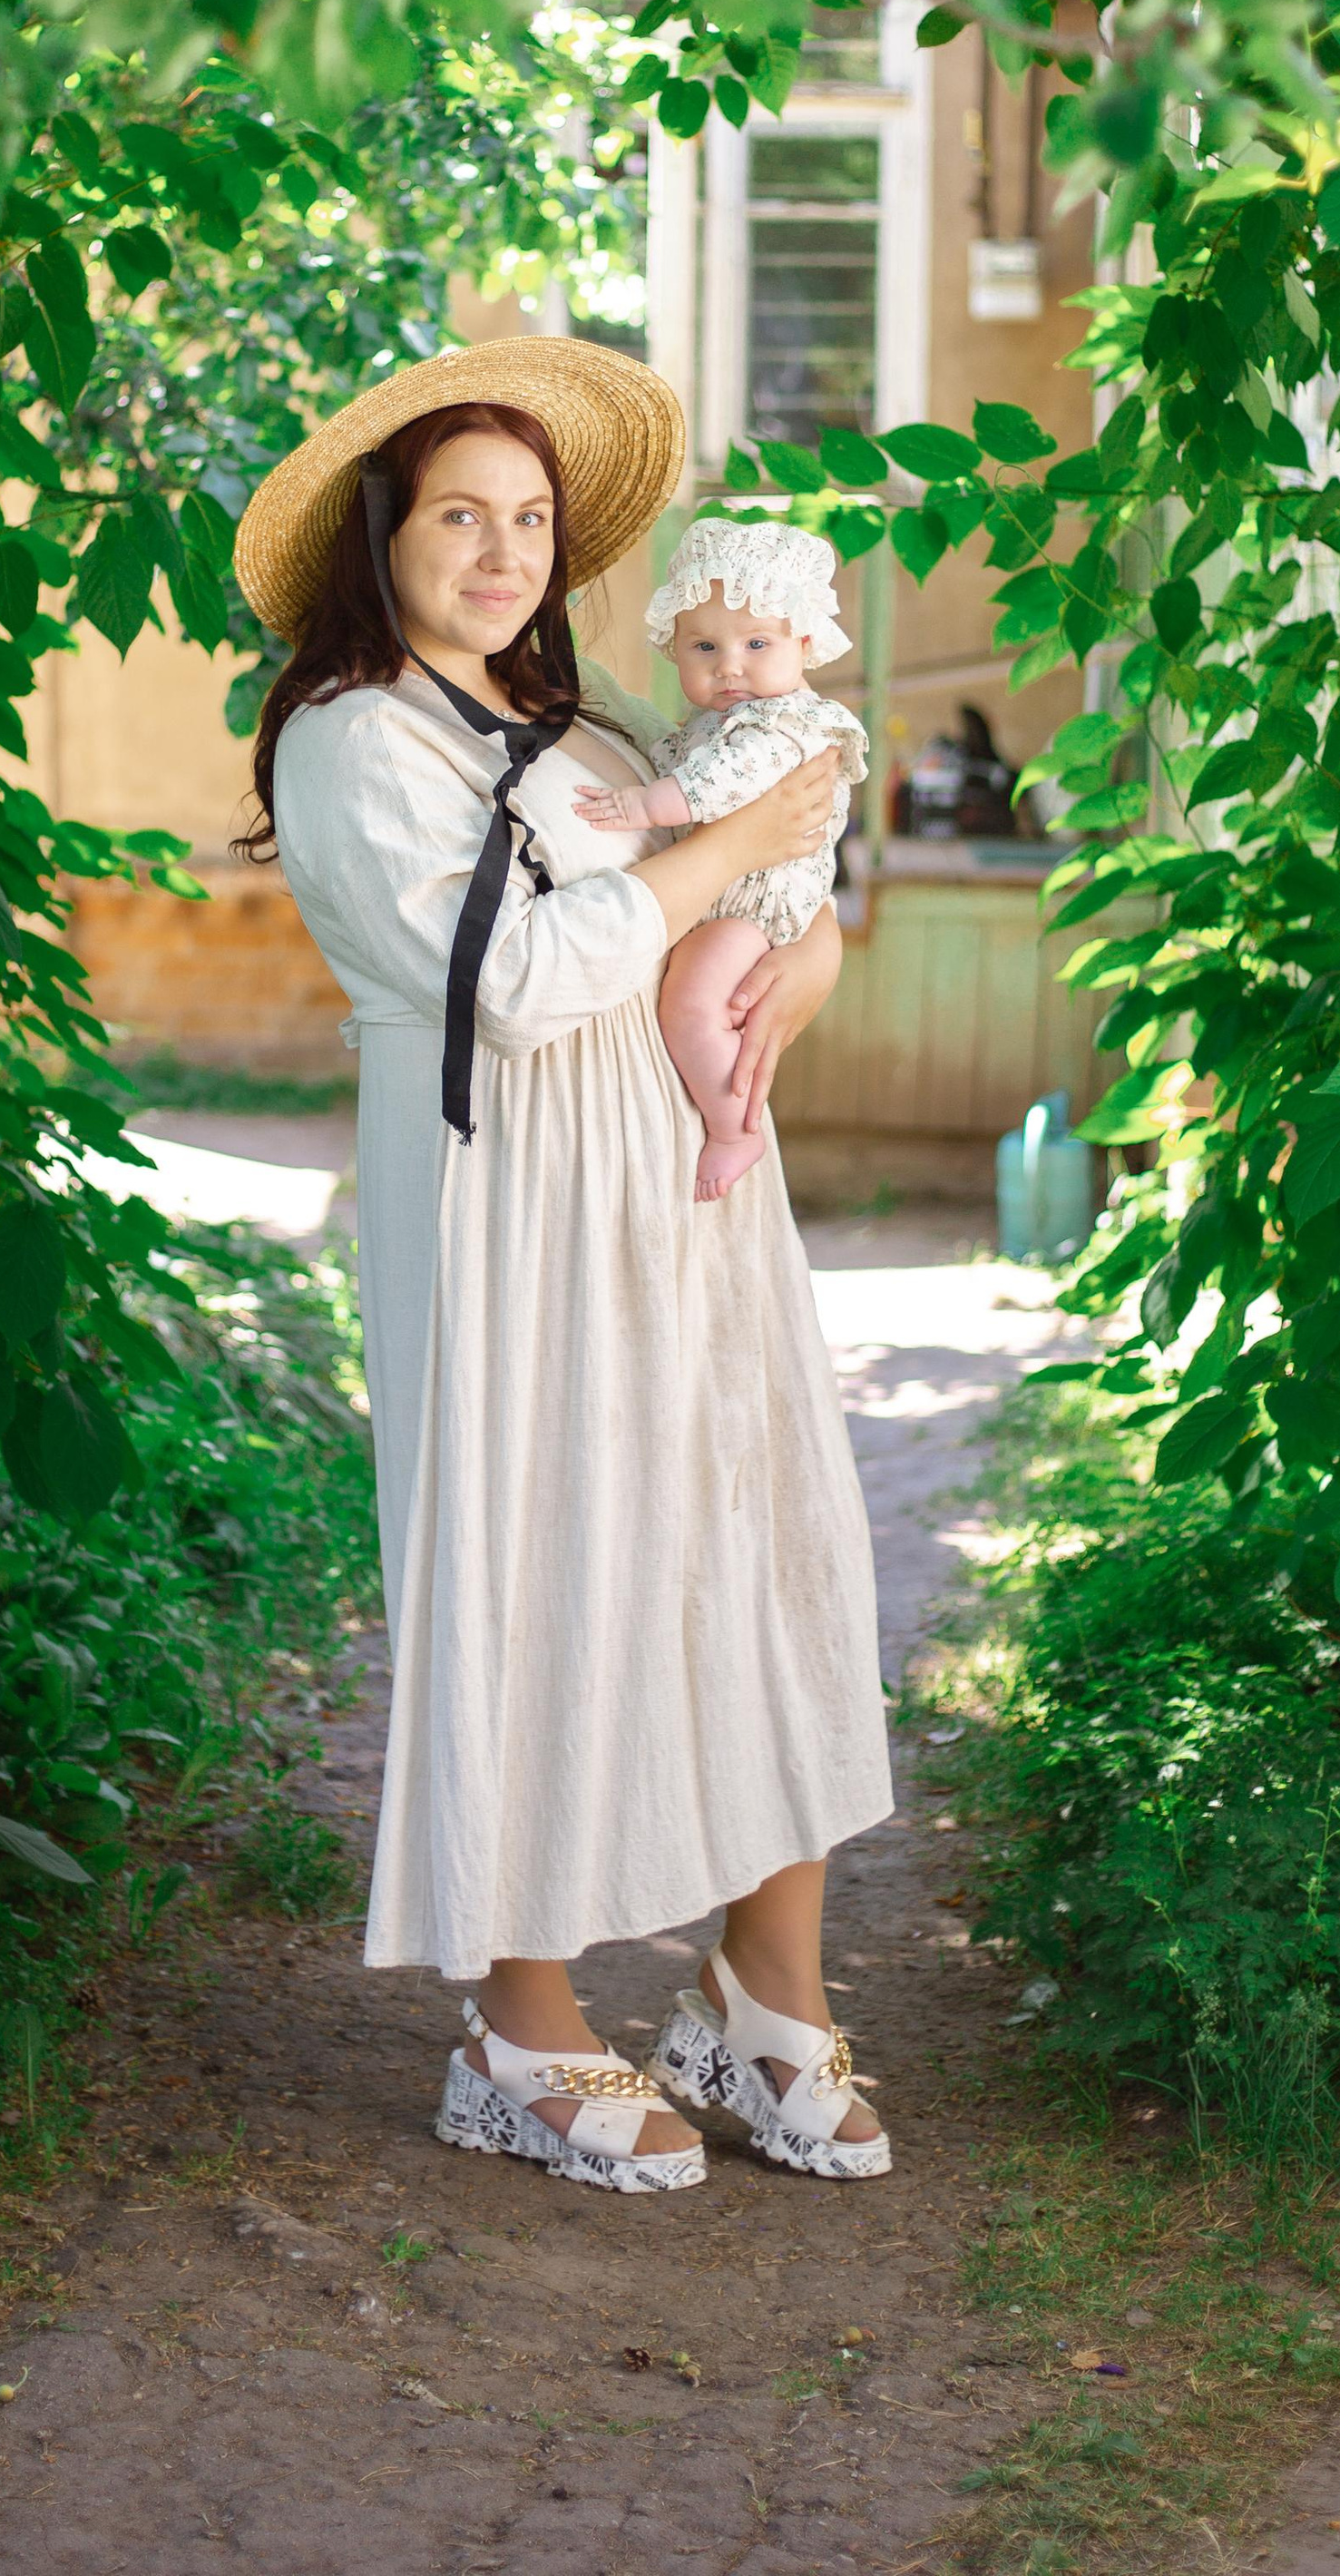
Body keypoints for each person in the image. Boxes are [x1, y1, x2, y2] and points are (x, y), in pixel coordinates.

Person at [231, 338, 895, 2194]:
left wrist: (796, 951)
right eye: (461, 514)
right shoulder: (355, 739)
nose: (502, 549)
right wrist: (726, 859)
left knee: (762, 1560)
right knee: (550, 1569)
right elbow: (516, 988)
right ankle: (520, 2023)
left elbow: (780, 903)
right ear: (386, 535)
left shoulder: (595, 728)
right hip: (511, 1215)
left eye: (528, 519)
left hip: (684, 1208)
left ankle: (763, 2002)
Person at [571, 517, 867, 1203]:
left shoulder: (787, 724)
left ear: (803, 643)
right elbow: (676, 749)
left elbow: (727, 779)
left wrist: (646, 807)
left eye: (756, 643)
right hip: (732, 898)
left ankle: (737, 1127)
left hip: (756, 908)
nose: (728, 664)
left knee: (695, 1000)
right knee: (701, 999)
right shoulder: (716, 720)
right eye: (704, 645)